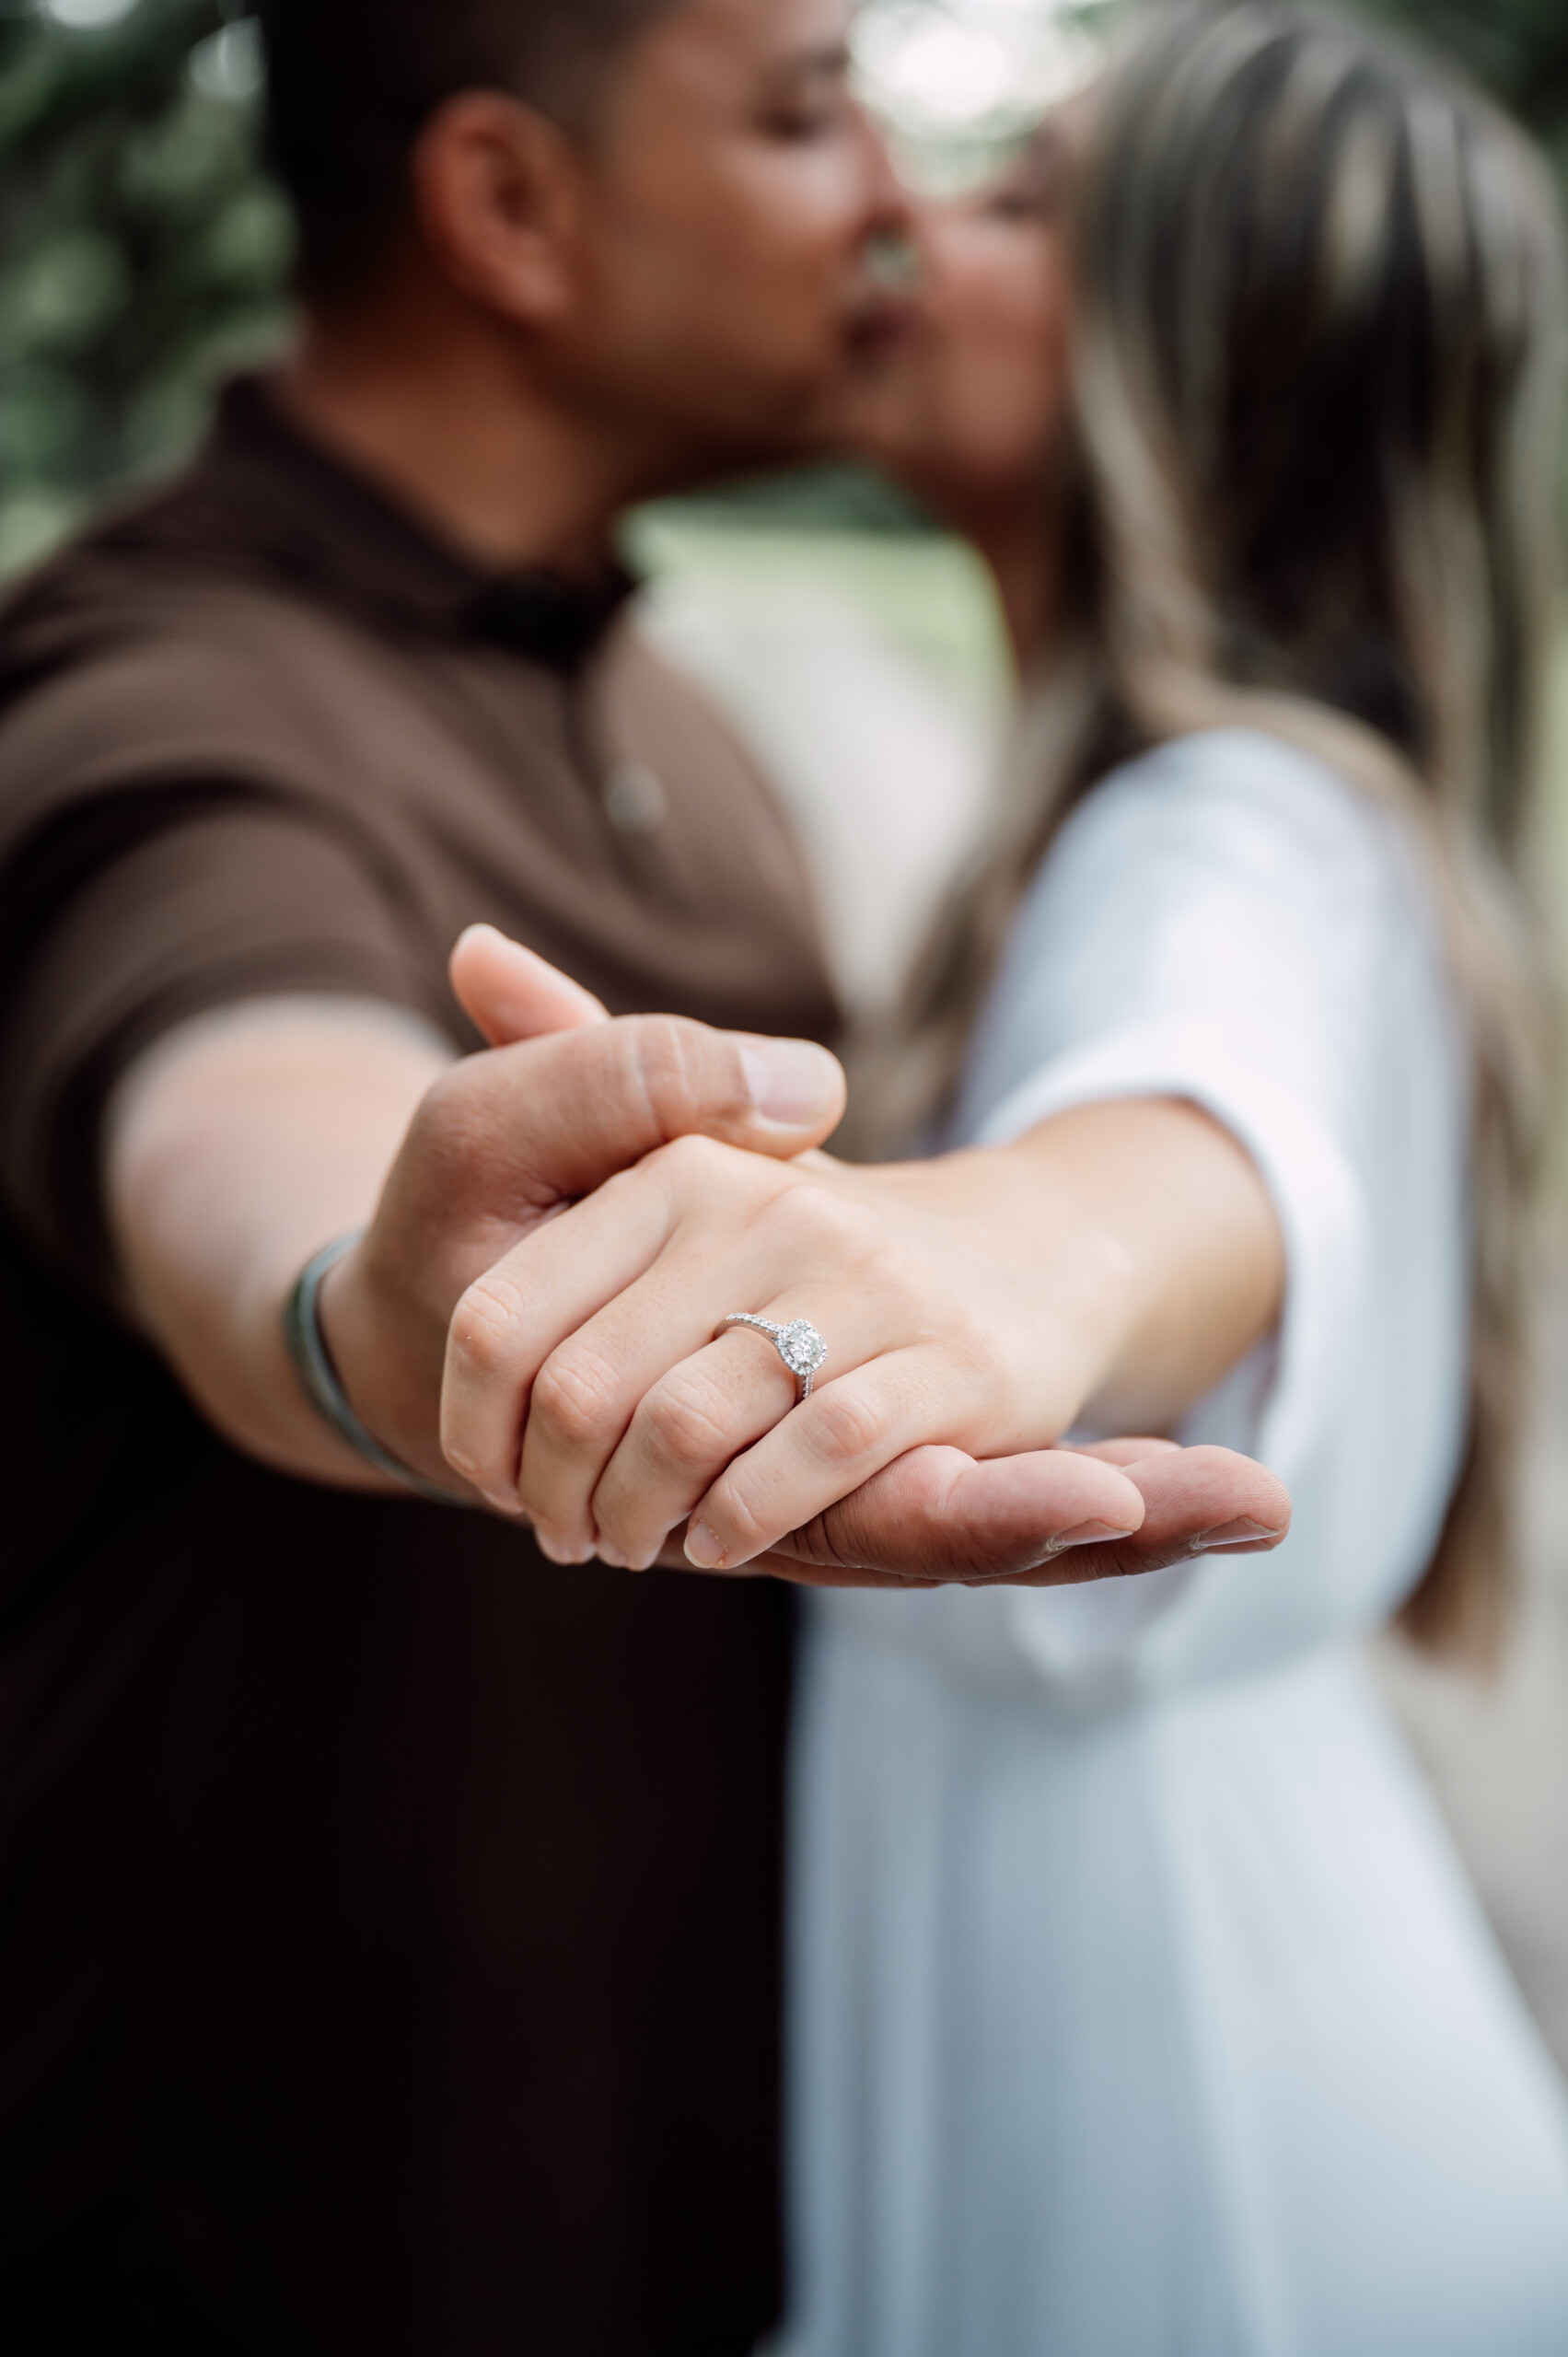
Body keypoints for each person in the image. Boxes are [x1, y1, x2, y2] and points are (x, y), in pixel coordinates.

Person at [0, 1, 1283, 2349]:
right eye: (808, 115)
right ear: (508, 205)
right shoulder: (146, 689)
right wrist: (358, 1324)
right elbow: (232, 1091)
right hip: (269, 2243)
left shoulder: (667, 701)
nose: (892, 196)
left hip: (697, 2209)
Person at [441, 5, 1568, 2351]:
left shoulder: (1236, 834)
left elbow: (1195, 1132)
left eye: (1019, 203)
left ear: (1204, 360)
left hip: (1197, 2143)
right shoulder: (1189, 805)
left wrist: (992, 1253)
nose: (903, 227)